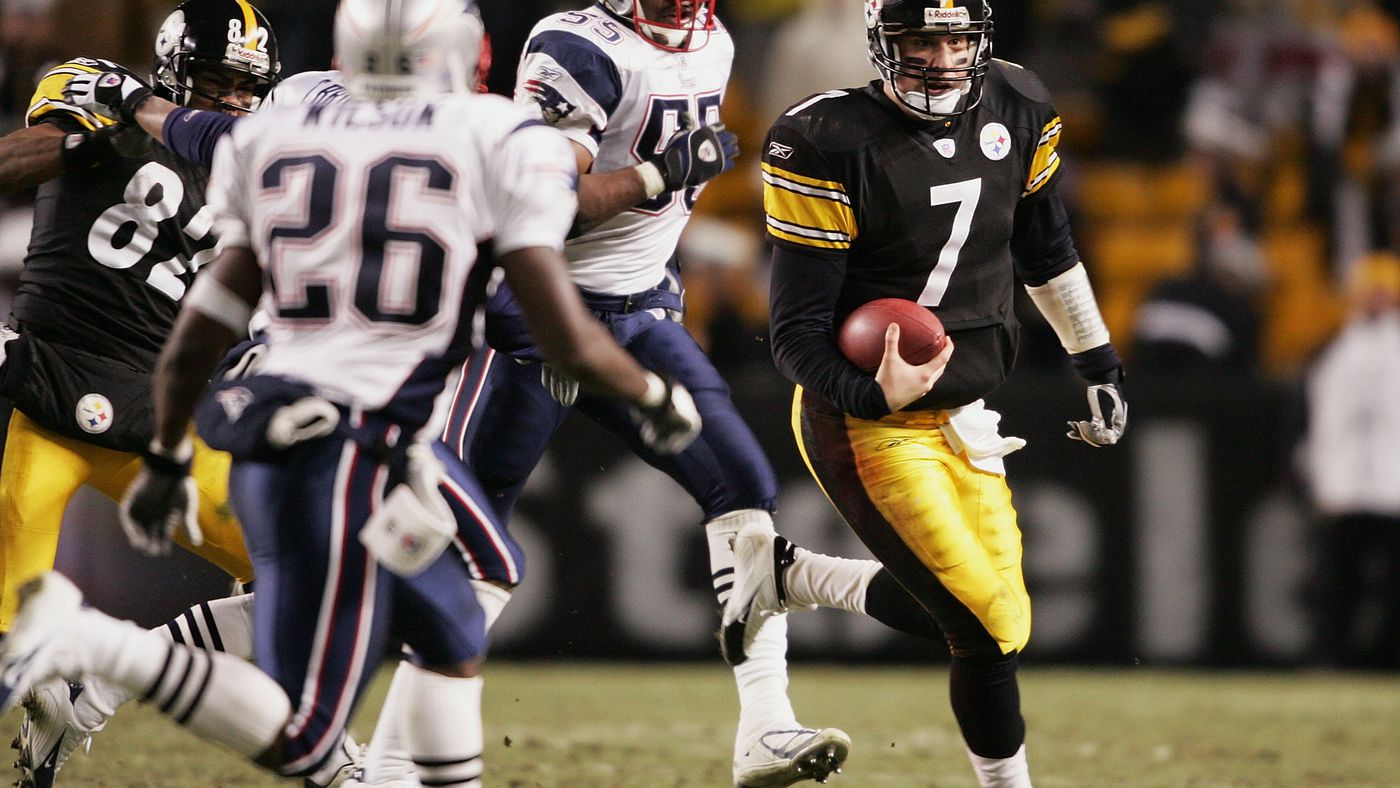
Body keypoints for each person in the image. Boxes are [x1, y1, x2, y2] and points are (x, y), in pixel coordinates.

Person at [0, 1, 701, 787]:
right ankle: (93, 652)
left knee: (468, 589)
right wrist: (652, 392)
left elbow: (203, 321)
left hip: (286, 427)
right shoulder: (470, 159)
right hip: (344, 444)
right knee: (339, 693)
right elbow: (558, 326)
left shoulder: (285, 152)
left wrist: (166, 453)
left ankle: (403, 771)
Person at [433, 1, 850, 785]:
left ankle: (766, 726)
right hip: (542, 316)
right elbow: (545, 207)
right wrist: (663, 171)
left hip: (639, 314)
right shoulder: (576, 46)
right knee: (458, 549)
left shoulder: (715, 42)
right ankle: (379, 754)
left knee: (745, 491)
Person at [723, 0, 1127, 785]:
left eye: (955, 39)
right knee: (985, 623)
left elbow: (1047, 250)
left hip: (967, 411)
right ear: (883, 43)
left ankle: (789, 576)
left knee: (1001, 629)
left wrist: (1098, 360)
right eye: (919, 40)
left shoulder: (1019, 103)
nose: (941, 58)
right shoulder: (823, 139)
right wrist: (872, 395)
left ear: (980, 42)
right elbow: (794, 337)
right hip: (862, 419)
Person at [1301, 252, 1400, 669]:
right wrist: (1322, 477)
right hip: (1345, 484)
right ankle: (1334, 657)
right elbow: (1320, 422)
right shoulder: (1334, 348)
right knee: (1340, 580)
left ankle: (1385, 659)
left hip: (1394, 481)